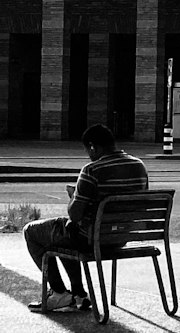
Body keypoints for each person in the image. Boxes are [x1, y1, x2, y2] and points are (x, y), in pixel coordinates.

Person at [23, 123, 148, 313]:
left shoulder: (91, 170)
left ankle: (58, 292)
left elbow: (74, 214)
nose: (89, 155)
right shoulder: (139, 166)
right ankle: (80, 294)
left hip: (91, 238)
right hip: (120, 237)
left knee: (33, 231)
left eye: (88, 150)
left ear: (93, 147)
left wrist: (74, 197)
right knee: (65, 232)